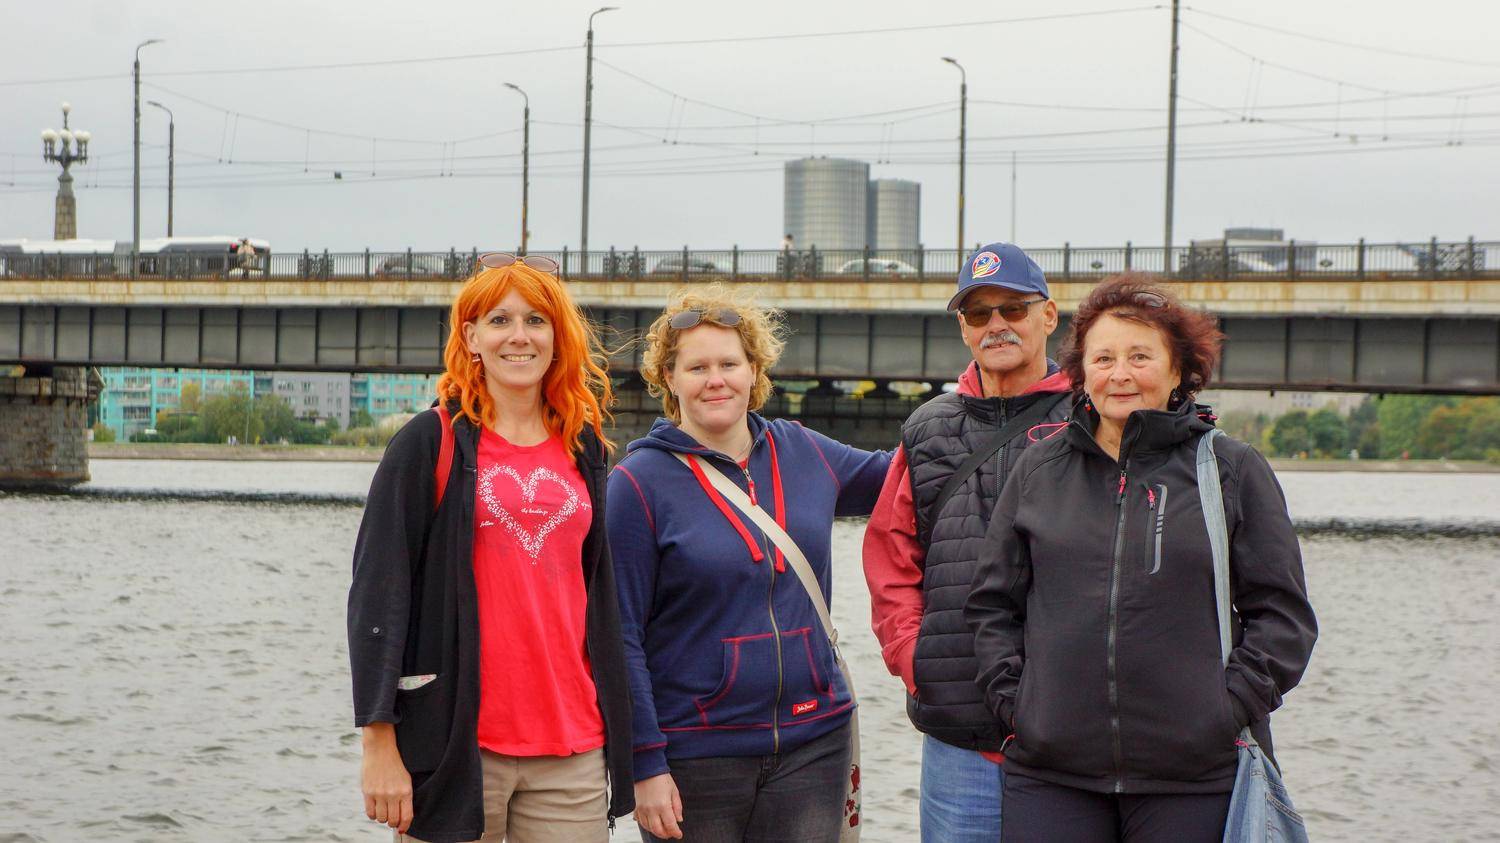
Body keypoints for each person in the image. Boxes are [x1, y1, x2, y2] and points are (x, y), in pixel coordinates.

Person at [966, 274, 1318, 842]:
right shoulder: (1039, 469)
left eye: (1140, 356)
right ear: (1083, 373)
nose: (1120, 373)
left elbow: (1283, 616)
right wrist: (1018, 707)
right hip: (1051, 774)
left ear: (1178, 371)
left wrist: (1224, 709)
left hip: (1192, 778)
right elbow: (992, 605)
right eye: (1103, 358)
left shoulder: (1229, 470)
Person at [348, 253, 634, 842]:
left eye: (536, 320)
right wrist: (378, 741)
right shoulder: (429, 441)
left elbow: (596, 592)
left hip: (573, 746)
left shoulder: (584, 446)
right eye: (500, 320)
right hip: (456, 744)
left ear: (557, 336)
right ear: (471, 337)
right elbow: (378, 595)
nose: (519, 336)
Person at [607, 283, 890, 842]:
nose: (716, 379)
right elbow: (620, 637)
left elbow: (909, 478)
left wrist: (978, 406)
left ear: (754, 371)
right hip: (695, 757)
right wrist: (644, 763)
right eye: (697, 367)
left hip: (815, 745)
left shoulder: (805, 451)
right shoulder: (637, 486)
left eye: (729, 364)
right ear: (669, 379)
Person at [861, 242, 1072, 841]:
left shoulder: (1092, 416)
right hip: (961, 739)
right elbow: (890, 557)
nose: (996, 324)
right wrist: (916, 659)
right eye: (979, 313)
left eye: (1014, 308)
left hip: (1072, 734)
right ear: (963, 328)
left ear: (1048, 316)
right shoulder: (926, 428)